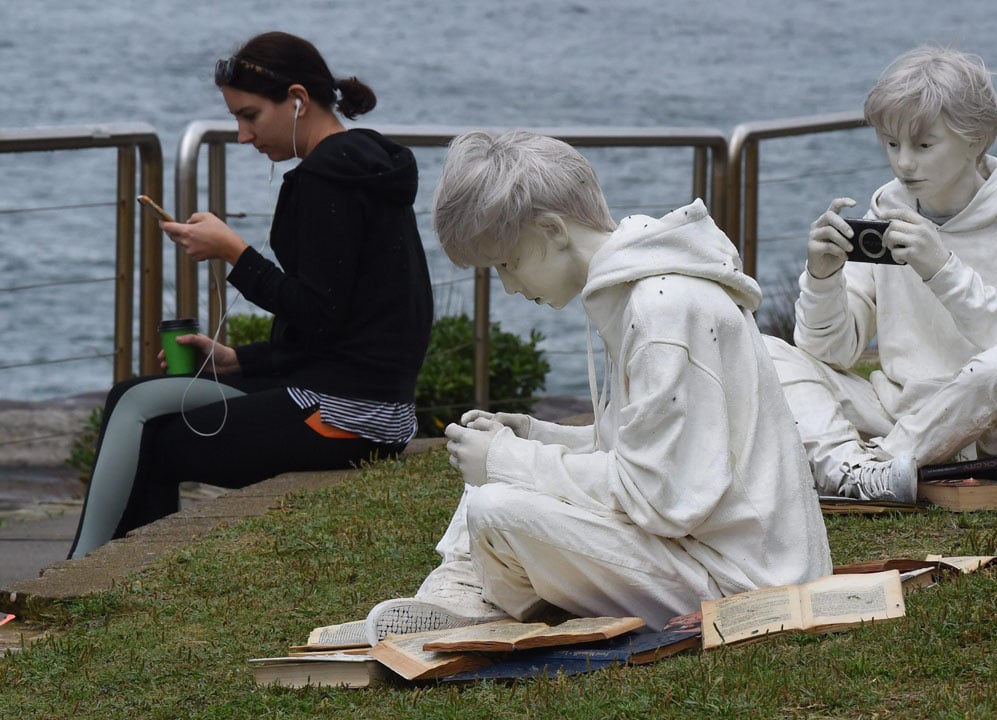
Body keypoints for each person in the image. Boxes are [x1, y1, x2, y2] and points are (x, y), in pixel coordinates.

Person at [363, 130, 831, 641]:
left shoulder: (660, 312)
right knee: (499, 469)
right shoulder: (643, 292)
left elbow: (662, 496)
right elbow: (641, 453)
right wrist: (533, 435)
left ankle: (477, 594)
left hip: (748, 580)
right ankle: (465, 588)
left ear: (552, 230)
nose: (510, 286)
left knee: (495, 501)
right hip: (719, 552)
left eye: (508, 262)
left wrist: (507, 460)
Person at [68, 31, 433, 558]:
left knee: (153, 438)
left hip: (344, 412)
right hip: (378, 405)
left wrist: (233, 252)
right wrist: (241, 360)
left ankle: (81, 578)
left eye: (250, 116)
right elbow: (349, 319)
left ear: (298, 100)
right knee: (133, 397)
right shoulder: (365, 166)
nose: (242, 136)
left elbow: (319, 313)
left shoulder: (327, 179)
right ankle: (108, 578)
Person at [764, 46, 997, 503]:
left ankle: (871, 470)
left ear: (976, 138)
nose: (904, 163)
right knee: (764, 350)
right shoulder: (886, 215)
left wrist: (943, 270)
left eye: (923, 145)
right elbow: (829, 352)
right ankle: (852, 469)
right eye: (892, 144)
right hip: (905, 414)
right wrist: (822, 279)